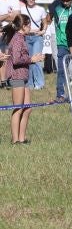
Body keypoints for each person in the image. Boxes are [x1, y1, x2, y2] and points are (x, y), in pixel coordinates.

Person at [3, 14, 42, 144]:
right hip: (17, 76)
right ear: (23, 26)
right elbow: (16, 59)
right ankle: (15, 140)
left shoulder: (21, 38)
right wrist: (32, 59)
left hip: (23, 76)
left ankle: (22, 138)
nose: (30, 27)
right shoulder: (18, 39)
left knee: (28, 108)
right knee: (18, 108)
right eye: (29, 24)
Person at [50, 0, 72, 102]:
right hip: (62, 44)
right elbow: (48, 19)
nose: (65, 2)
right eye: (63, 0)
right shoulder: (57, 9)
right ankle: (60, 94)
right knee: (61, 70)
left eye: (68, 0)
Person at [22, 0, 48, 90]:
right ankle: (30, 83)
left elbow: (45, 23)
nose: (31, 0)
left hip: (37, 37)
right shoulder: (22, 9)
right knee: (28, 60)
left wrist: (43, 31)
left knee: (37, 59)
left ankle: (40, 83)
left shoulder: (41, 9)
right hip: (26, 37)